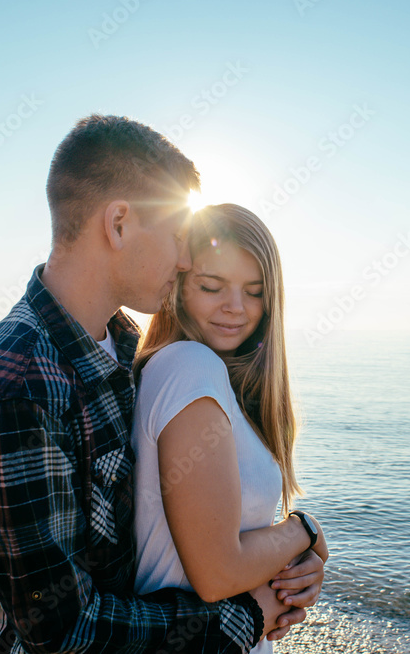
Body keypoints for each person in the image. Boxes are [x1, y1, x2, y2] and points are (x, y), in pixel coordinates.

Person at [0, 115, 309, 653]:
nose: (184, 258)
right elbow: (62, 631)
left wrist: (291, 561)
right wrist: (244, 615)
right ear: (119, 224)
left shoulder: (123, 347)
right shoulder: (18, 393)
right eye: (179, 235)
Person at [131, 204, 329, 652]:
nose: (235, 308)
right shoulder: (189, 366)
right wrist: (306, 532)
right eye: (211, 286)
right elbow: (218, 572)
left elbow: (233, 542)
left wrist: (297, 568)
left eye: (255, 292)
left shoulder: (212, 380)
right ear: (179, 286)